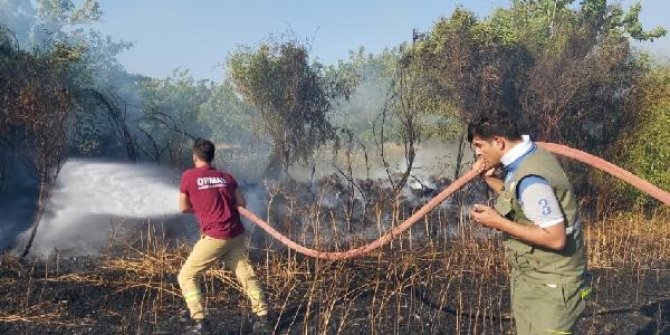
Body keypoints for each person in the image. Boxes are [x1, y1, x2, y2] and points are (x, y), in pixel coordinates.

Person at [467, 113, 590, 335]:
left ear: (498, 142)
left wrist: (497, 222)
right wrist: (489, 178)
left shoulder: (531, 179)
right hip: (536, 278)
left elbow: (555, 238)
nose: (477, 152)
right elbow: (522, 202)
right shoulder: (530, 156)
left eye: (479, 145)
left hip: (551, 285)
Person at [178, 138, 269, 334]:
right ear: (212, 156)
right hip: (235, 233)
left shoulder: (189, 176)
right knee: (245, 274)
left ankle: (200, 322)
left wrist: (202, 204)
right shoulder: (226, 177)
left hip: (215, 237)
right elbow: (241, 203)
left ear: (195, 157)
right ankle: (262, 316)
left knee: (186, 276)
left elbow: (183, 207)